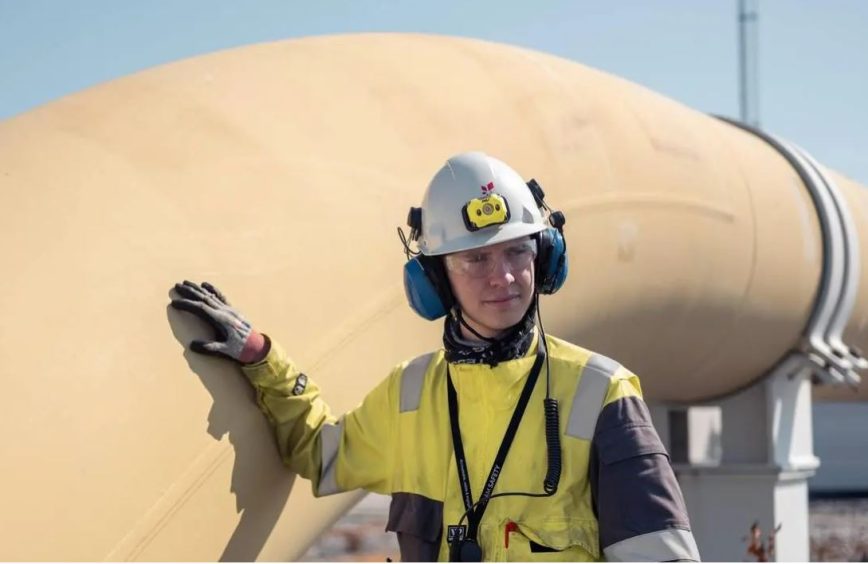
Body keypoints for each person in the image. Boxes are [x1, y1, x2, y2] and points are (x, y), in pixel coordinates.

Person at [171, 152, 700, 562]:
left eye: (518, 250)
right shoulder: (410, 396)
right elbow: (320, 454)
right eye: (476, 258)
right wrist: (262, 357)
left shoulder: (602, 394)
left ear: (546, 256)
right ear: (435, 281)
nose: (505, 277)